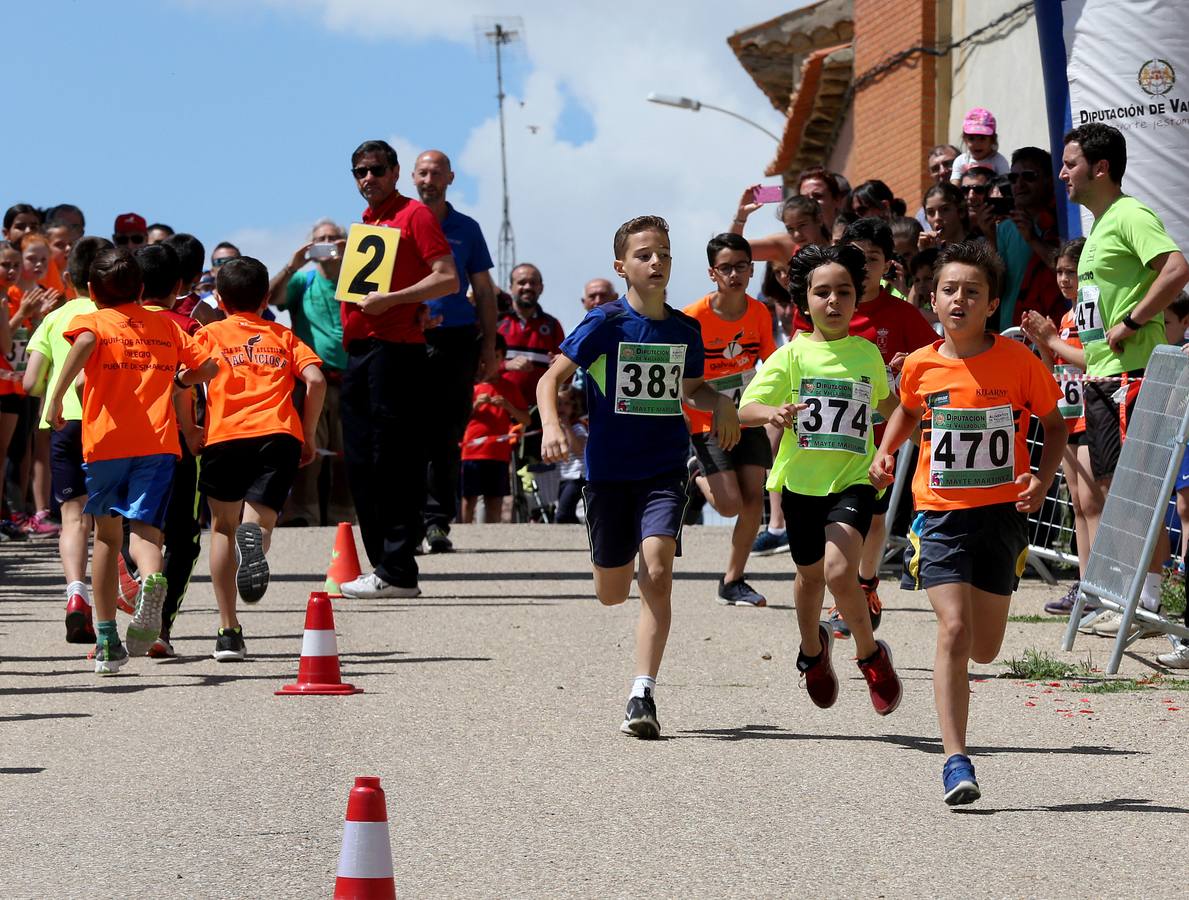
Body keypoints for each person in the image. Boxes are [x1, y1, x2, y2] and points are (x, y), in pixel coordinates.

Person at [871, 240, 1067, 805]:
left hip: (1002, 517)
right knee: (953, 630)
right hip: (940, 515)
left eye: (972, 292)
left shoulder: (1019, 363)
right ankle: (956, 760)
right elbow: (909, 409)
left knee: (985, 648)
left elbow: (1053, 426)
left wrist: (1042, 477)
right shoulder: (921, 365)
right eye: (949, 290)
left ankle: (958, 737)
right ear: (932, 298)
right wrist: (887, 451)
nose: (959, 299)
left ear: (992, 304)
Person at [536, 214, 740, 739]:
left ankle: (642, 693)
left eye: (665, 254)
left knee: (657, 570)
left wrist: (719, 402)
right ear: (620, 265)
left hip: (662, 470)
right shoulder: (604, 324)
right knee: (611, 590)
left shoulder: (685, 329)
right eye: (645, 255)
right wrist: (552, 427)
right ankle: (612, 565)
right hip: (607, 475)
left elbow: (691, 389)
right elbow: (549, 380)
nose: (656, 263)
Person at [740, 243, 902, 716]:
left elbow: (892, 410)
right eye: (822, 293)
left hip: (853, 480)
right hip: (800, 486)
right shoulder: (791, 356)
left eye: (844, 292)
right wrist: (775, 411)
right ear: (804, 300)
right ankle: (813, 652)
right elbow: (748, 409)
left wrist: (899, 437)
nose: (833, 302)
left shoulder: (868, 354)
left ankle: (871, 656)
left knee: (837, 571)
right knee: (810, 577)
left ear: (858, 297)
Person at [47, 248, 217, 673]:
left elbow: (85, 342)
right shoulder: (166, 325)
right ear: (141, 289)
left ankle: (107, 640)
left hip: (106, 443)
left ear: (91, 291)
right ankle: (152, 579)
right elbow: (209, 367)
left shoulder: (93, 321)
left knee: (106, 536)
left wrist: (55, 399)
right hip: (158, 444)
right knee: (147, 530)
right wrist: (181, 378)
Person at [1059, 122, 1189, 636]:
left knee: (1136, 492)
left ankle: (1147, 601)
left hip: (1132, 374)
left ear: (1101, 167)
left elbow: (1177, 269)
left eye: (1071, 163)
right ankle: (1131, 594)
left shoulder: (1130, 214)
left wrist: (1131, 323)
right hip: (1102, 377)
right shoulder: (1097, 228)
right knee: (1115, 491)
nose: (1063, 173)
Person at [791, 217, 937, 637]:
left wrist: (909, 366)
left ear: (888, 263)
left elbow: (935, 353)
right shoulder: (824, 309)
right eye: (856, 257)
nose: (864, 266)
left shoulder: (901, 313)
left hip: (880, 436)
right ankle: (845, 588)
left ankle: (864, 583)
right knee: (829, 535)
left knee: (873, 520)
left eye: (872, 258)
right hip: (825, 443)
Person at [337, 139, 458, 599]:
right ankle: (384, 565)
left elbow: (447, 276)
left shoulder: (415, 215)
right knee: (362, 460)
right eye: (360, 172)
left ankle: (398, 566)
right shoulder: (368, 224)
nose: (368, 179)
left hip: (396, 352)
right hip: (361, 351)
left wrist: (397, 300)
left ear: (394, 172)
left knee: (394, 459)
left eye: (376, 170)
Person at [194, 257, 325, 661]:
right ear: (266, 297)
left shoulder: (209, 334)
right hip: (278, 432)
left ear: (219, 298)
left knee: (221, 528)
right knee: (260, 521)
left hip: (225, 436)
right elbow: (316, 380)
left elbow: (185, 380)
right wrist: (307, 431)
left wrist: (190, 428)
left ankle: (228, 630)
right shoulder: (282, 335)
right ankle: (256, 543)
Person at [22, 237, 111, 640]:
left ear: (70, 276)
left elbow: (28, 382)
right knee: (110, 521)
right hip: (108, 424)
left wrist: (49, 385)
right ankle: (119, 598)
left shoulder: (54, 319)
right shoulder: (114, 316)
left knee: (72, 517)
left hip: (62, 424)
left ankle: (76, 592)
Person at [412, 149, 500, 553]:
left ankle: (436, 522)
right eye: (423, 173)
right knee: (406, 435)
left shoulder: (467, 228)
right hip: (407, 340)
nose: (429, 179)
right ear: (411, 177)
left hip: (457, 341)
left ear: (450, 178)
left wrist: (489, 345)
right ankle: (406, 520)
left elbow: (483, 291)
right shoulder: (397, 224)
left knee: (446, 436)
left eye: (436, 173)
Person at [684, 233, 775, 606]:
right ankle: (696, 471)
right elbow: (684, 382)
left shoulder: (759, 313)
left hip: (746, 413)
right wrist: (713, 401)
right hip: (705, 417)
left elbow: (769, 363)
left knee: (754, 500)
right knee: (729, 506)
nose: (734, 274)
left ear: (751, 270)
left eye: (741, 266)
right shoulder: (693, 318)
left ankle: (733, 579)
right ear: (712, 272)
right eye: (726, 268)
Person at [134, 242, 207, 657]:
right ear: (179, 285)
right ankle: (160, 628)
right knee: (184, 535)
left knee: (126, 530)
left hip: (125, 439)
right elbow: (202, 380)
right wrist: (196, 428)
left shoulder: (113, 323)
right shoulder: (186, 326)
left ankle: (132, 590)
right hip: (177, 439)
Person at [1019, 239, 1098, 619]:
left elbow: (1093, 360)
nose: (1065, 279)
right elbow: (1054, 375)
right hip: (1067, 417)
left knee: (1093, 503)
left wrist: (1051, 340)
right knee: (1078, 506)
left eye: (1073, 271)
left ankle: (1099, 586)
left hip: (1091, 414)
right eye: (1061, 272)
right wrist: (1044, 345)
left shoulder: (1090, 314)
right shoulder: (1065, 319)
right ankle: (1086, 585)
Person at [268, 219, 354, 528]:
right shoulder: (302, 281)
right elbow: (267, 299)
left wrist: (352, 257)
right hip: (312, 378)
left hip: (351, 378)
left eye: (334, 238)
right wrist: (292, 265)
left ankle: (344, 516)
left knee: (348, 452)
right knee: (308, 451)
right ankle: (302, 513)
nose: (328, 242)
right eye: (321, 238)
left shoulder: (358, 279)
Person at [984, 147, 1066, 330]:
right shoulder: (1004, 228)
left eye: (1029, 176)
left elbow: (1067, 269)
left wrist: (1033, 239)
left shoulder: (1065, 220)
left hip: (1055, 328)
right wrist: (990, 236)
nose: (1019, 184)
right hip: (1013, 330)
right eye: (1013, 178)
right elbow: (997, 288)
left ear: (1049, 180)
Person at [459, 334, 529, 524]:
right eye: (483, 360)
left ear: (502, 358)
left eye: (495, 357)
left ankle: (494, 539)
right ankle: (464, 536)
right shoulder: (470, 387)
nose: (487, 363)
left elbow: (526, 419)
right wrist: (474, 407)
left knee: (495, 501)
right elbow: (457, 421)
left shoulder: (509, 387)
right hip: (471, 453)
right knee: (468, 500)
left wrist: (509, 407)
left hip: (498, 454)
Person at [498, 263, 564, 403]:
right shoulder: (496, 322)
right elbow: (478, 368)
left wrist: (561, 366)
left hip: (538, 411)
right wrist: (506, 365)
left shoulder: (552, 325)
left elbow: (566, 379)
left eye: (533, 283)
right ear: (511, 288)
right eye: (522, 283)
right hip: (499, 411)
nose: (527, 287)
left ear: (541, 288)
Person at [730, 191, 827, 264]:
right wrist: (741, 216)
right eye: (790, 229)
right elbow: (735, 250)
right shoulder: (785, 246)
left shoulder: (839, 240)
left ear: (819, 220)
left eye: (802, 225)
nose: (797, 234)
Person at [553, 384, 587, 524]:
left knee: (562, 514)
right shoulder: (554, 428)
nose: (562, 407)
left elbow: (579, 449)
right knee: (566, 512)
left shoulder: (577, 426)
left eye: (566, 403)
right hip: (563, 476)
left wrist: (567, 426)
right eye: (558, 403)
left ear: (574, 406)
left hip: (577, 476)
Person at [950, 107, 1010, 182]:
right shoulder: (961, 161)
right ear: (964, 139)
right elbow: (954, 188)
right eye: (971, 139)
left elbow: (1005, 186)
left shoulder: (999, 161)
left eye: (982, 138)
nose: (977, 144)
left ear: (992, 140)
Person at [919, 183, 974, 250]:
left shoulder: (982, 247)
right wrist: (926, 254)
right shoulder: (937, 254)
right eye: (930, 212)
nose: (937, 218)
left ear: (961, 211)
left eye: (945, 209)